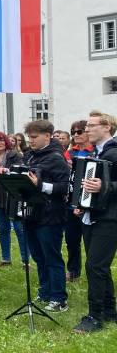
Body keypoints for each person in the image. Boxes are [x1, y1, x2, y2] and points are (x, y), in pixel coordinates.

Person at [73, 111, 117, 333]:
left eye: (91, 125)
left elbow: (107, 185)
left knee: (94, 266)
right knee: (100, 266)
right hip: (94, 215)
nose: (86, 129)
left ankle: (95, 316)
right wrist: (82, 202)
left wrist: (105, 186)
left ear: (107, 127)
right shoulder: (96, 152)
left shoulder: (114, 152)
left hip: (110, 217)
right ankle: (109, 311)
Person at [23, 119, 71, 312]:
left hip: (50, 215)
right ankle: (45, 291)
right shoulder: (30, 156)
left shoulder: (56, 158)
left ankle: (59, 298)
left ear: (47, 136)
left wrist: (40, 185)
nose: (31, 140)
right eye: (29, 137)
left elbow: (65, 187)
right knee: (38, 256)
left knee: (52, 257)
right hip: (32, 213)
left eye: (34, 137)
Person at [0, 131, 27, 267]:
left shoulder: (14, 155)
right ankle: (6, 258)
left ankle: (25, 260)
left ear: (6, 142)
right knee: (3, 228)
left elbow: (21, 171)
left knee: (19, 228)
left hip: (14, 195)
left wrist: (3, 169)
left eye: (1, 140)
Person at [65, 120, 95, 282]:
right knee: (71, 239)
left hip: (89, 201)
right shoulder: (69, 153)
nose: (75, 135)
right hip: (71, 201)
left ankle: (93, 272)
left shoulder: (95, 151)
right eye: (73, 132)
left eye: (79, 131)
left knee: (91, 241)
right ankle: (73, 271)